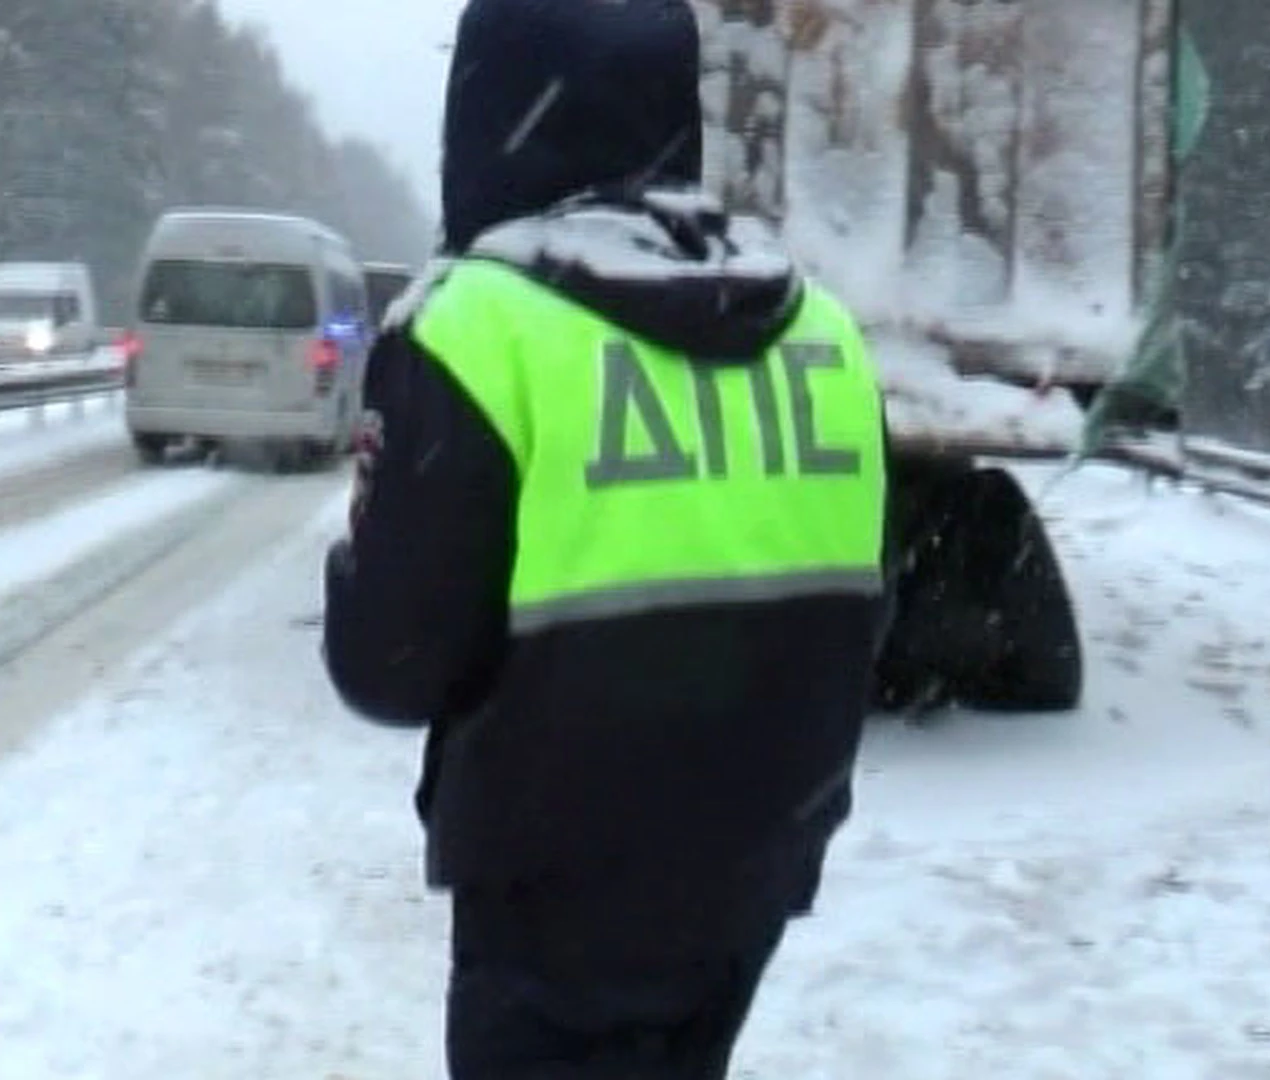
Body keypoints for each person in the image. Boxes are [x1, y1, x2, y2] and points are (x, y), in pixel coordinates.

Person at [320, 0, 894, 1074]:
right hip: (748, 877)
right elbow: (855, 606)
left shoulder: (473, 326)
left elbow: (392, 668)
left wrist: (357, 569)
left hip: (555, 897)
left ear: (489, 115)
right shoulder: (821, 331)